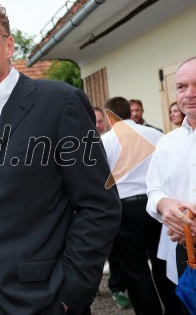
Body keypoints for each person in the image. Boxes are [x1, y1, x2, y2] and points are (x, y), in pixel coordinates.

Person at [0, 1, 121, 315]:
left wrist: (70, 293)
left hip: (39, 298)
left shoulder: (60, 103)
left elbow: (99, 206)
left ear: (8, 46)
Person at [102, 97, 177, 314]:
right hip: (157, 205)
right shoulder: (156, 135)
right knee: (162, 262)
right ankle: (174, 309)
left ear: (109, 117)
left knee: (135, 270)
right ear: (129, 112)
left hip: (125, 210)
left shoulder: (104, 142)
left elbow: (98, 180)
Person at [146, 56, 196, 314]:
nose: (190, 94)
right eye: (181, 86)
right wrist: (165, 205)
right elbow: (153, 190)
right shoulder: (167, 142)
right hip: (183, 253)